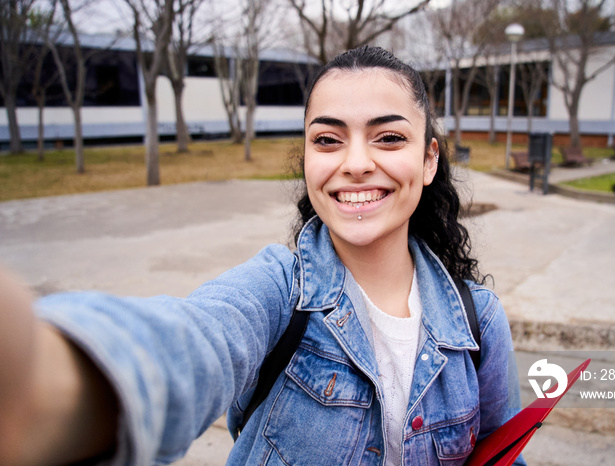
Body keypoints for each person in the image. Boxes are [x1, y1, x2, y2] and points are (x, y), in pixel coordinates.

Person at [0, 46, 524, 465]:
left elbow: (503, 454)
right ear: (308, 159)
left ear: (429, 158)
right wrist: (44, 376)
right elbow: (195, 340)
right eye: (328, 139)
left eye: (388, 137)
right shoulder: (276, 291)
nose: (357, 163)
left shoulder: (480, 323)